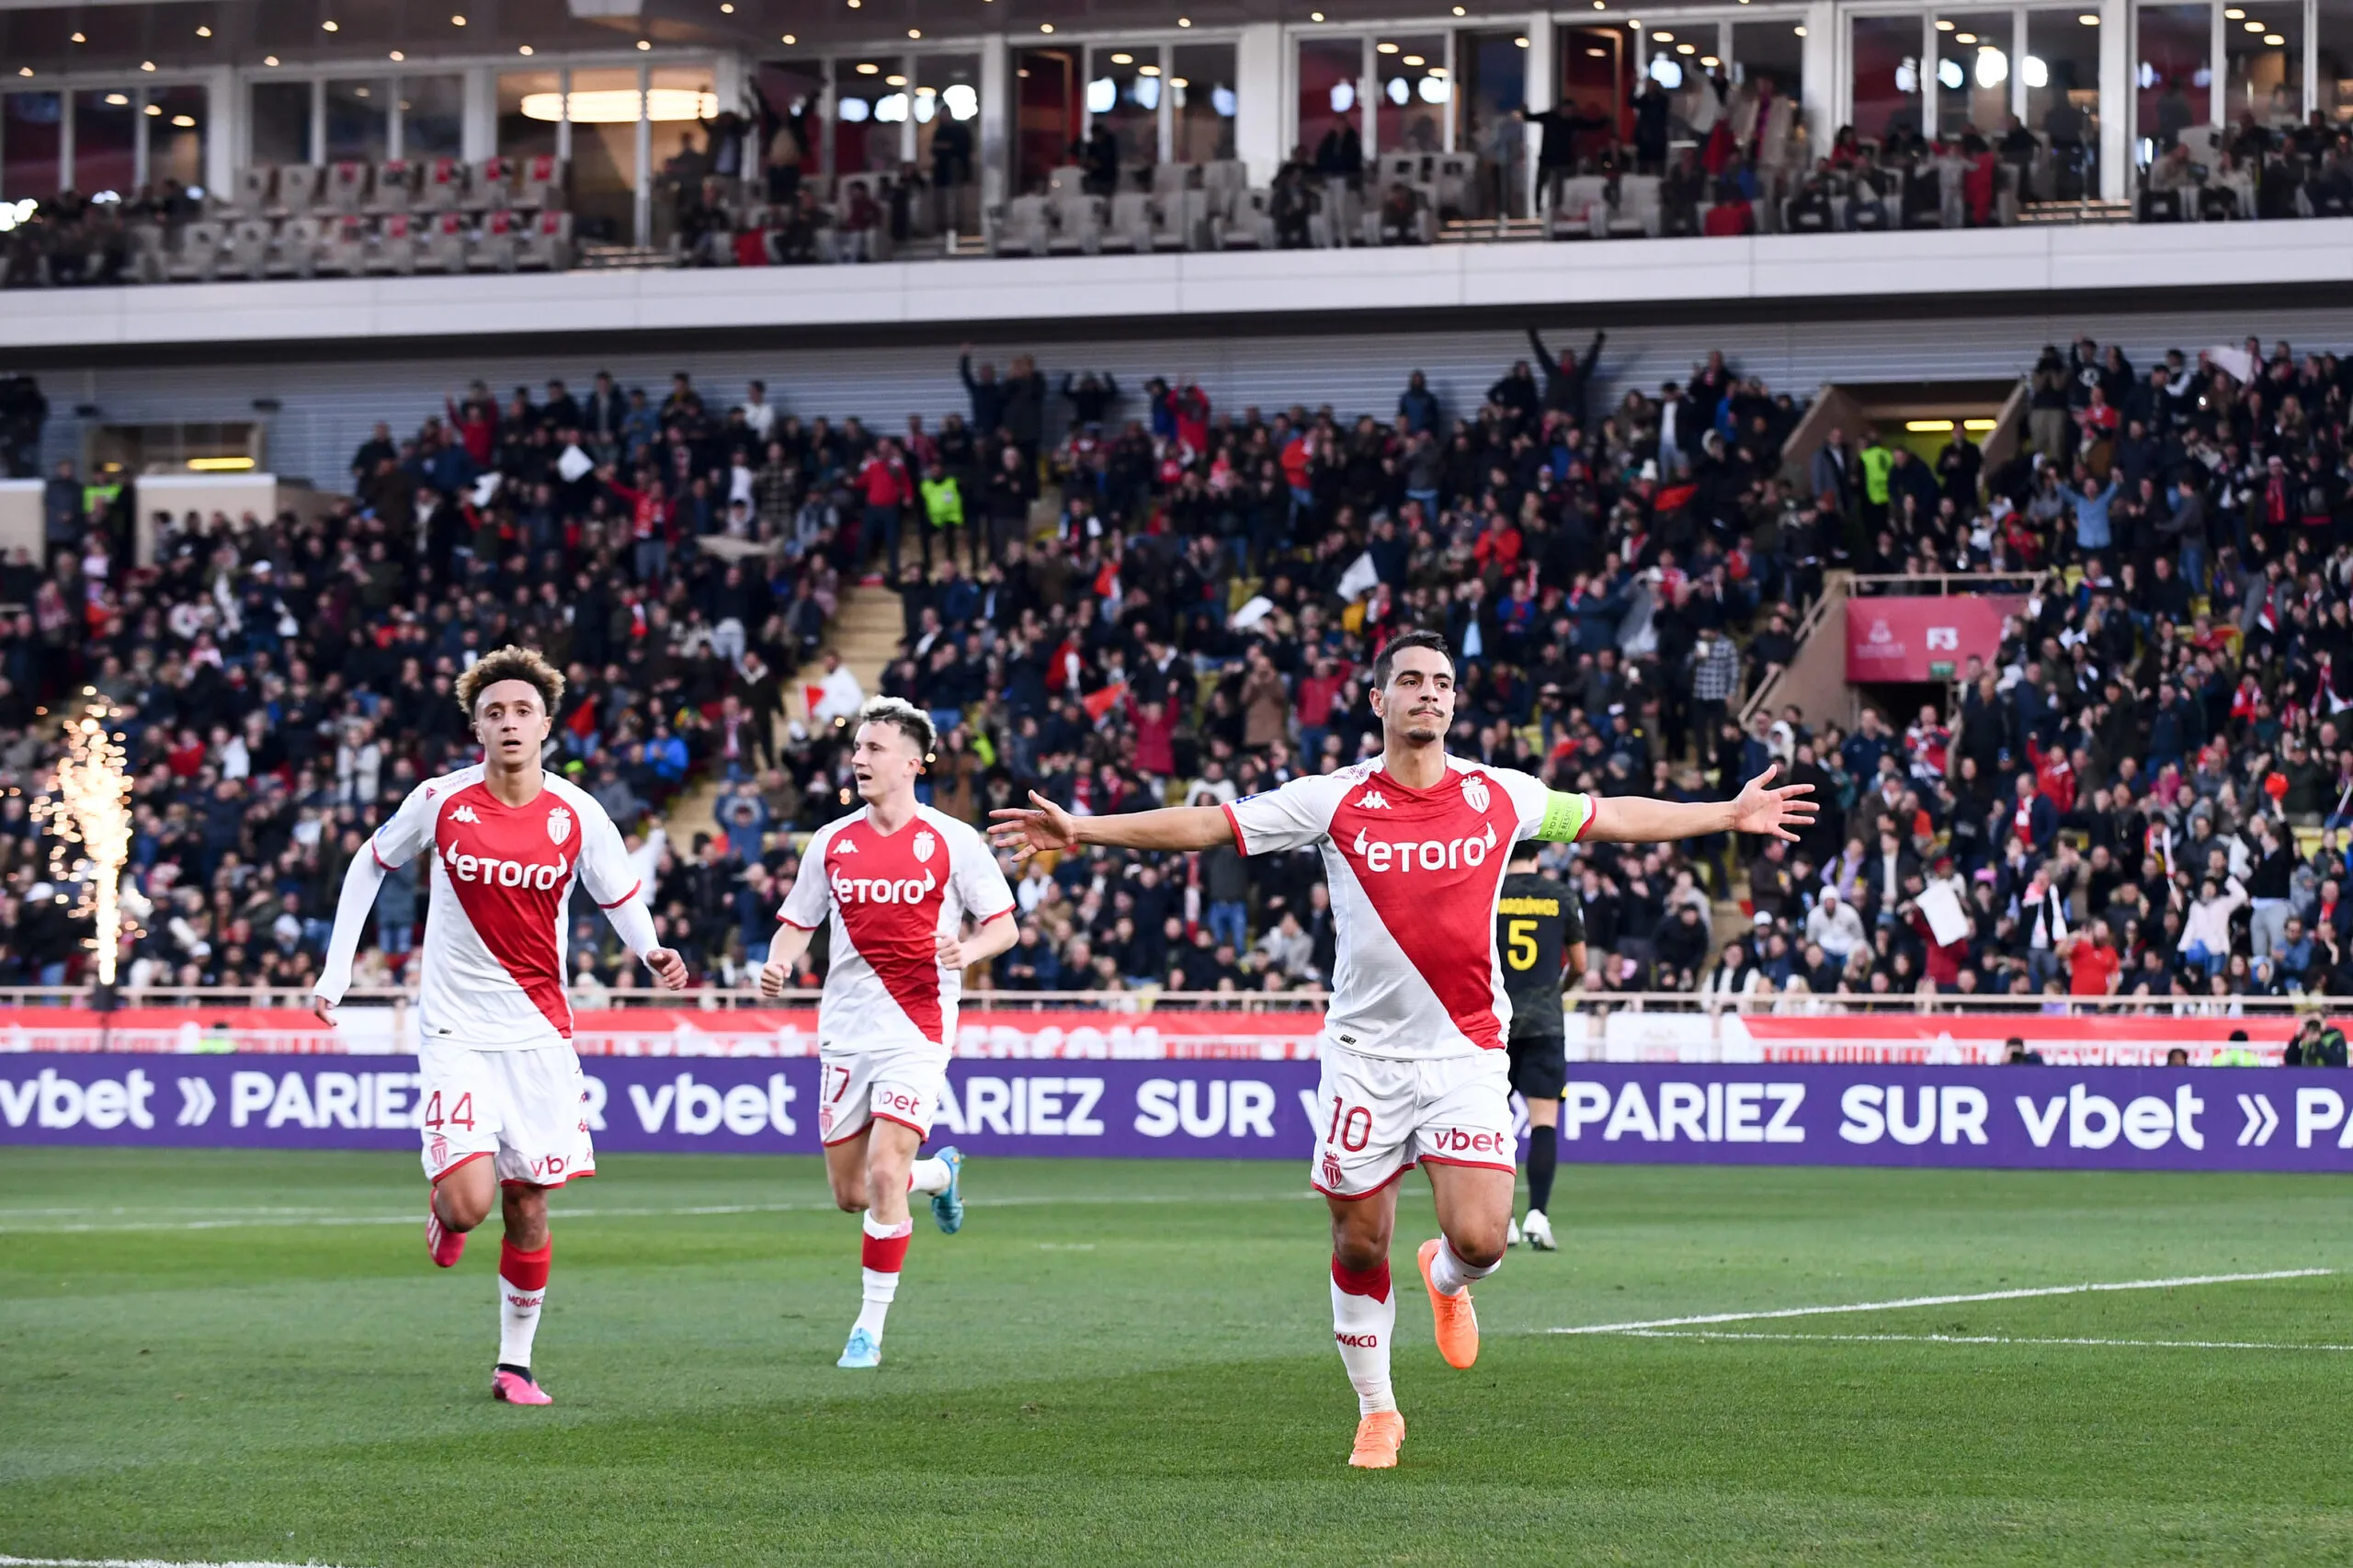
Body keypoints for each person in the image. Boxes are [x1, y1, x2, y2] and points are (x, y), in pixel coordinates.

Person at [988, 631, 1814, 1470]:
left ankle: (1447, 1280)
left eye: (1442, 683)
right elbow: (1209, 824)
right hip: (1365, 1058)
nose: (1429, 693)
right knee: (1357, 1245)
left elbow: (1612, 816)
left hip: (1465, 1054)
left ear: (1455, 702)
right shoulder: (1331, 800)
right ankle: (1378, 1411)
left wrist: (1726, 812)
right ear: (1377, 700)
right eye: (1410, 681)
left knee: (1485, 1240)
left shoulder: (1503, 797)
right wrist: (1084, 830)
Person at [311, 646, 688, 1407]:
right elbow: (369, 862)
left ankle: (513, 1364)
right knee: (470, 1204)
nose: (509, 723)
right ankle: (445, 1211)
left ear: (546, 725)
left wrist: (650, 950)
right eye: (494, 712)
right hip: (456, 1032)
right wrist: (337, 968)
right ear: (475, 726)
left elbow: (619, 898)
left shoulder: (579, 813)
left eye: (522, 711)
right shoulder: (439, 800)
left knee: (528, 1204)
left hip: (541, 1034)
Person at [759, 698, 1019, 1370]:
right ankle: (939, 1176)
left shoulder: (953, 840)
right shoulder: (831, 842)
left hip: (919, 1027)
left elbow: (1004, 924)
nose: (859, 758)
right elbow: (798, 919)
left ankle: (867, 1328)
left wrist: (970, 949)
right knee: (853, 1193)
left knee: (881, 1172)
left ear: (912, 762)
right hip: (846, 1030)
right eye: (858, 748)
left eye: (874, 749)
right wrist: (781, 958)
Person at [1495, 843, 1581, 1252]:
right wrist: (1555, 992)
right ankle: (1538, 1217)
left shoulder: (1489, 892)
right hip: (1545, 1022)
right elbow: (1580, 965)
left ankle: (1503, 1220)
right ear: (1540, 857)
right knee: (1543, 1123)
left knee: (1492, 1125)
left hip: (1494, 1023)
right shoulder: (1561, 895)